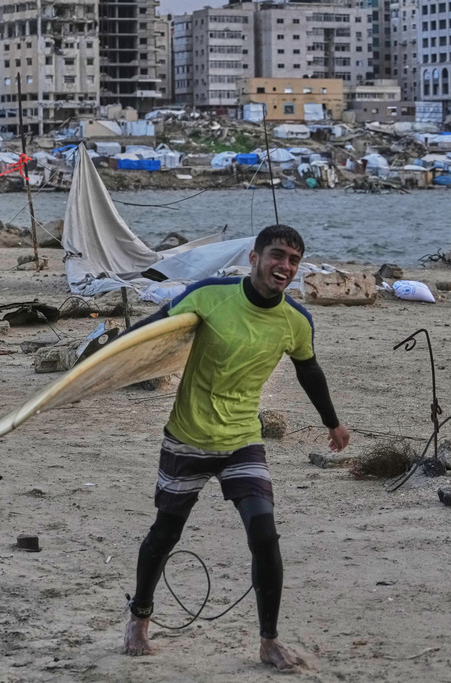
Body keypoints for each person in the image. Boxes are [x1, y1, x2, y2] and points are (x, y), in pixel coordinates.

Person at [123, 224, 350, 671]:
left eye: (293, 261)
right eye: (277, 255)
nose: (284, 267)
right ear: (254, 256)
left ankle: (269, 641)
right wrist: (92, 373)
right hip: (188, 434)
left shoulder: (296, 320)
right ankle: (139, 616)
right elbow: (147, 338)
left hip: (242, 439)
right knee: (166, 533)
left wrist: (333, 422)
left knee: (264, 534)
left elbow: (309, 371)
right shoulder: (209, 294)